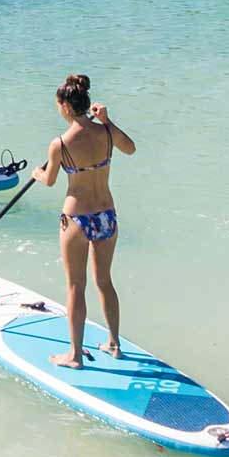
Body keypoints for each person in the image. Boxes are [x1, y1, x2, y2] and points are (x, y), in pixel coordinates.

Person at [27, 74, 137, 369]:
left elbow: (49, 181)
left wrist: (38, 173)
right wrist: (108, 121)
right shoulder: (106, 133)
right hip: (106, 215)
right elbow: (131, 148)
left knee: (76, 285)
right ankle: (114, 343)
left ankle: (74, 356)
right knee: (104, 281)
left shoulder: (60, 144)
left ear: (65, 106)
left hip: (77, 219)